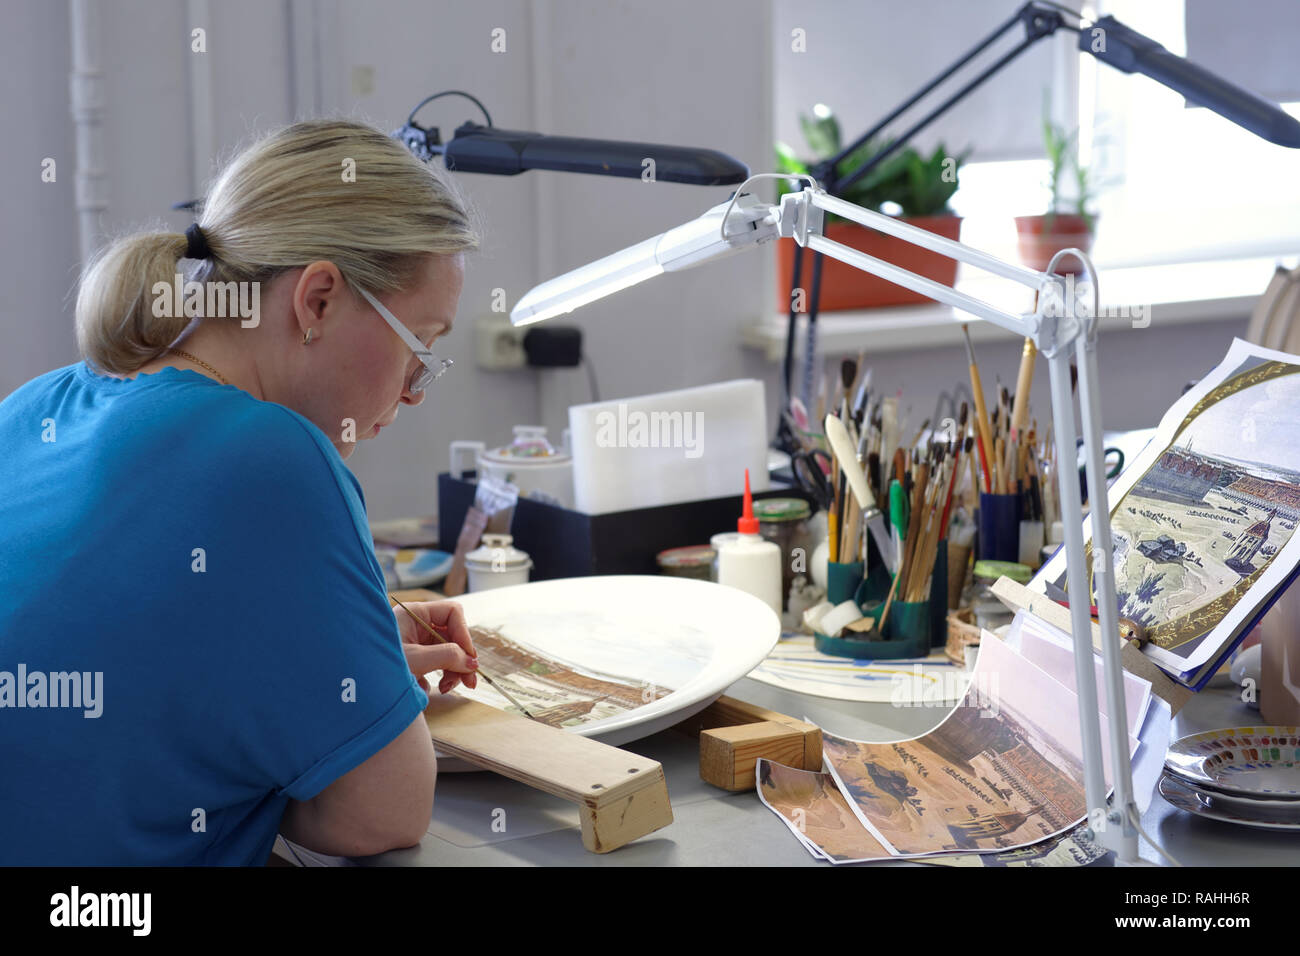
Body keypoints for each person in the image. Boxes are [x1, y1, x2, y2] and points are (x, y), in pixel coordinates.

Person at [0, 118, 482, 864]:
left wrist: (340, 651)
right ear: (318, 299)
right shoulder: (274, 455)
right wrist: (344, 696)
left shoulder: (36, 407)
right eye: (422, 349)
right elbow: (383, 815)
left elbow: (126, 662)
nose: (416, 393)